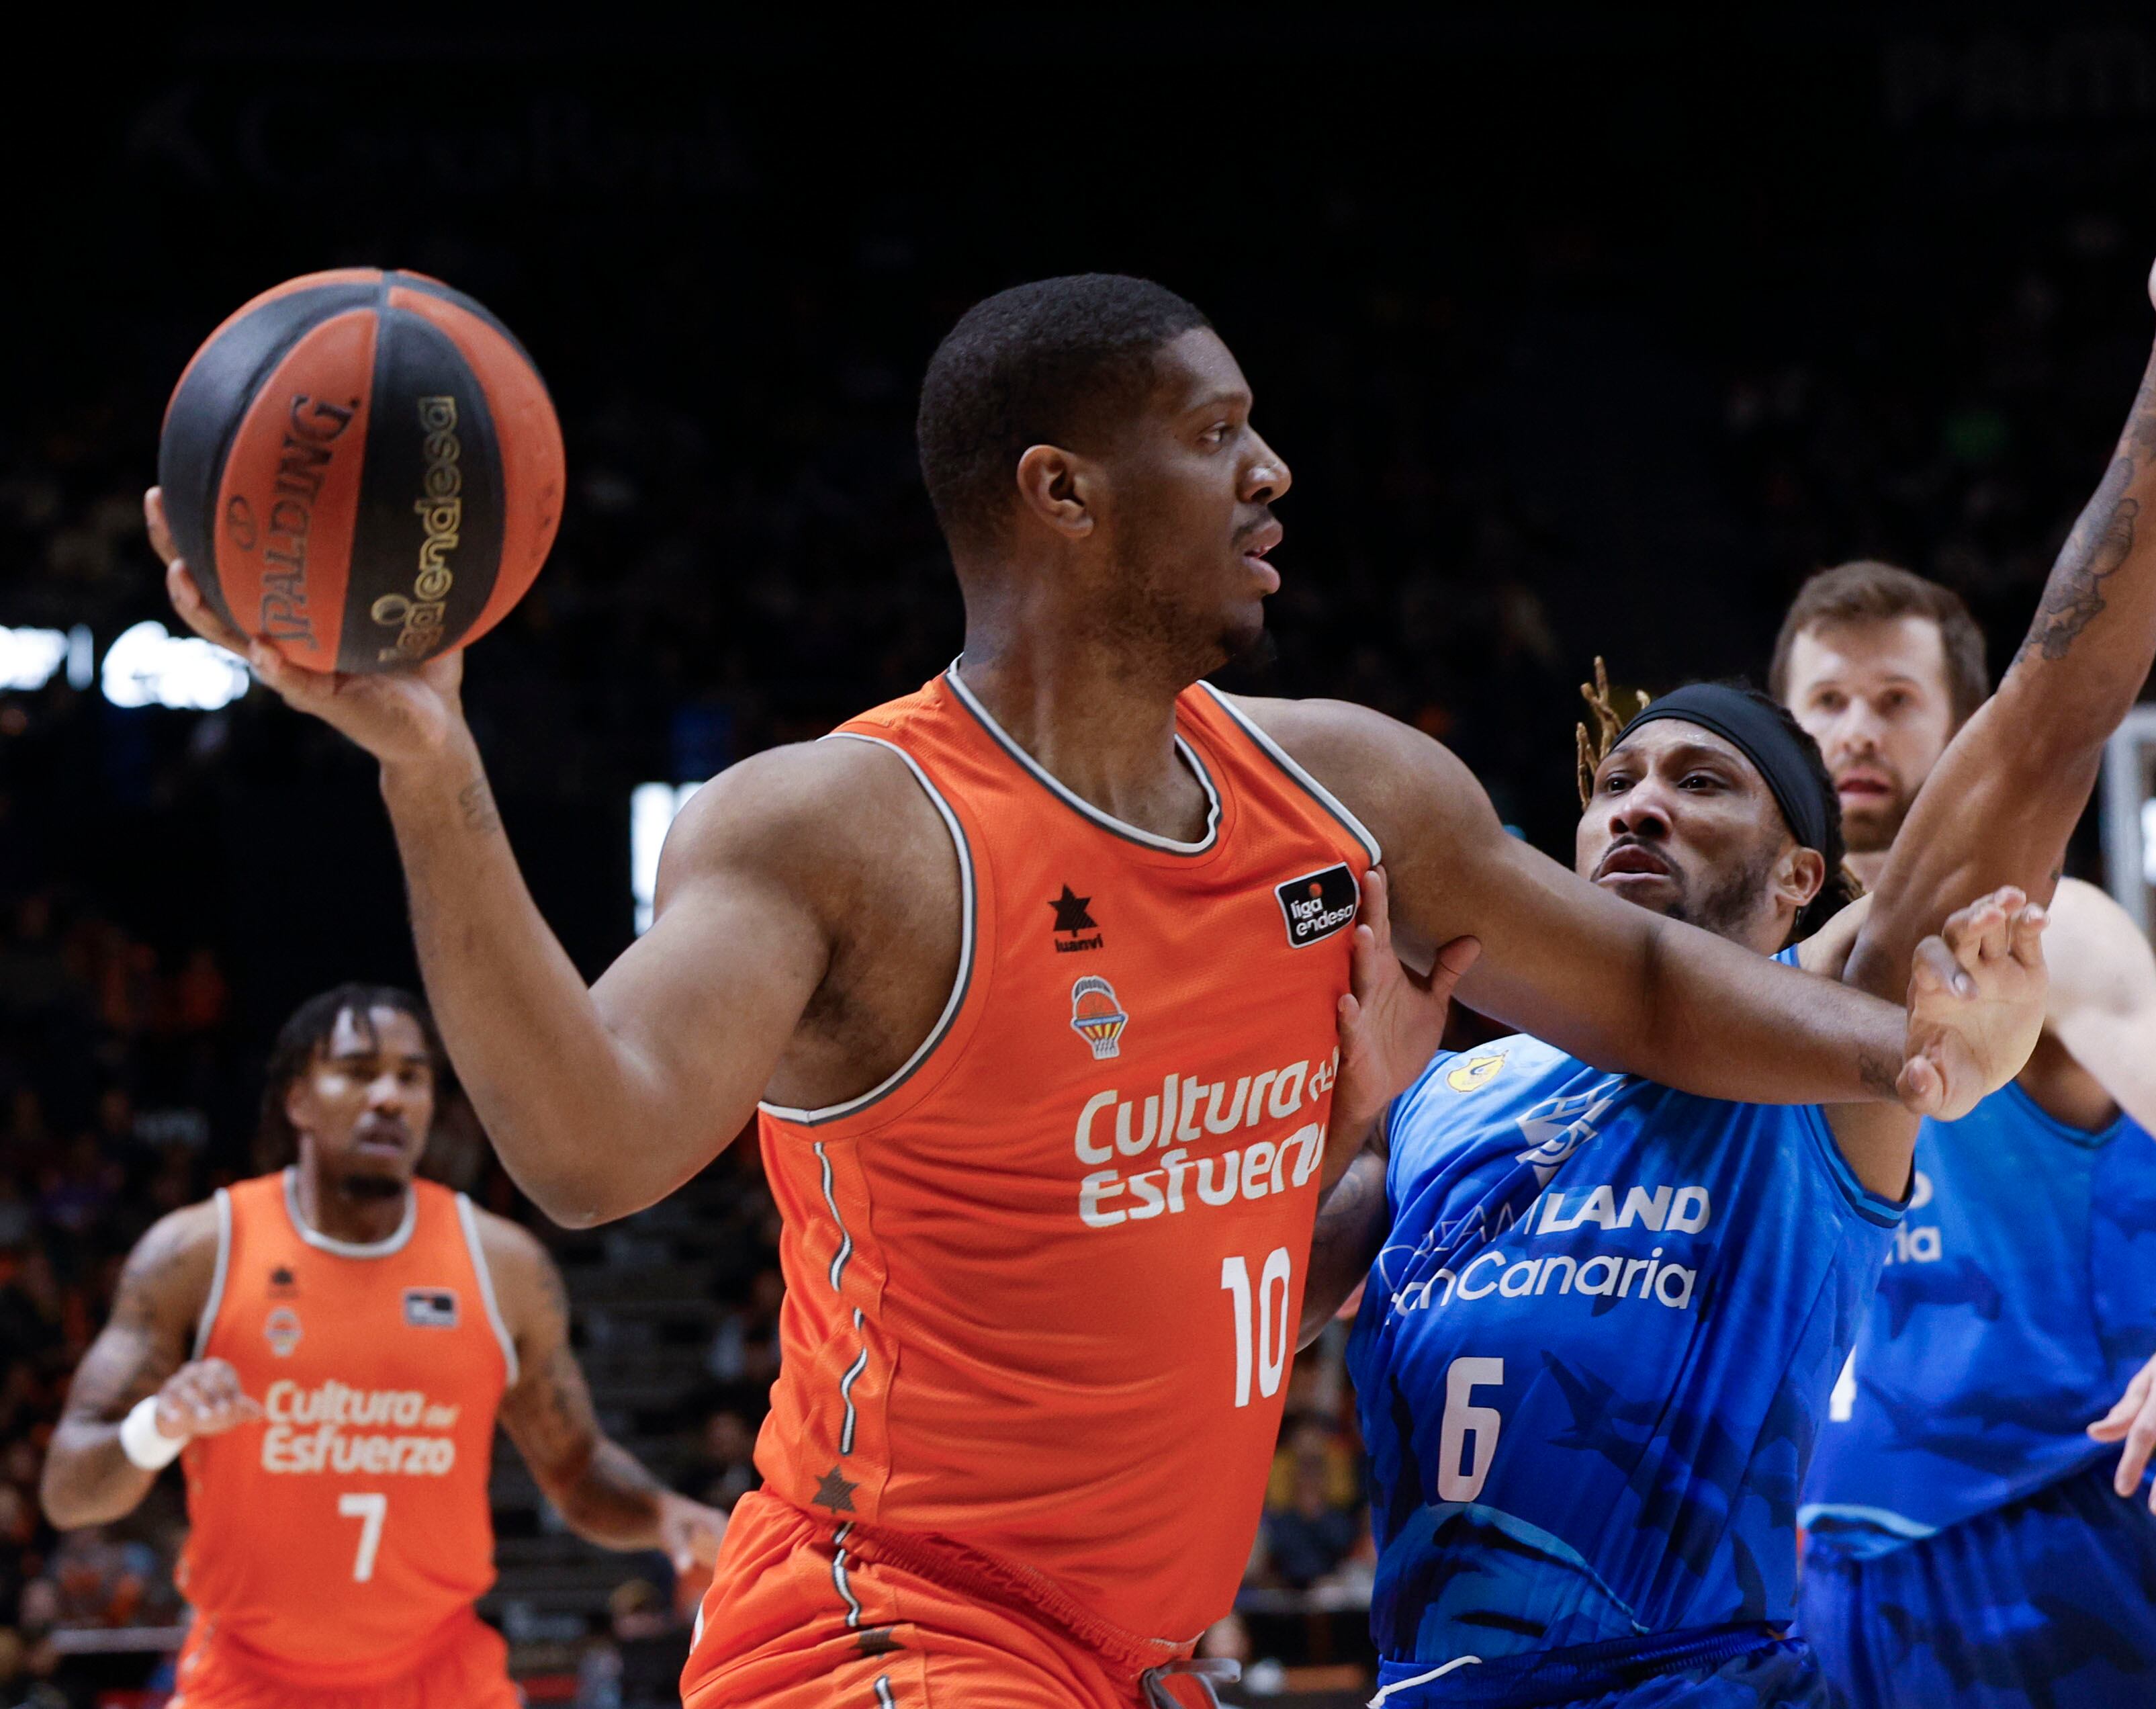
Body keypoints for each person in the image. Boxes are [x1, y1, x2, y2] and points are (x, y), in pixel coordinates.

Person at [150, 269, 2042, 1706]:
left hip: (1130, 1660)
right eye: (1218, 433)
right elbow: (585, 1146)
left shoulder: (1351, 793)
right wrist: (436, 773)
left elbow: (1636, 979)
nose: (1273, 468)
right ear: (1061, 490)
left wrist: (1919, 1051)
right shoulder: (843, 830)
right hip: (878, 1625)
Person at [1293, 93, 2156, 1709]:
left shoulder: (1827, 1030)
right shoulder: (1444, 1098)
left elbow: (2048, 717)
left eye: (1705, 780)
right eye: (1618, 781)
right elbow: (1219, 1333)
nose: (1644, 798)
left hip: (1800, 1632)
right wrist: (1336, 1124)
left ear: (1802, 880)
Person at [1783, 95, 2156, 1709]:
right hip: (1808, 1554)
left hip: (2047, 1523)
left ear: (1966, 722)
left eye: (1895, 702)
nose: (1852, 730)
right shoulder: (1750, 962)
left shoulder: (2071, 928)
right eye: (1823, 700)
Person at [37, 985, 725, 1709]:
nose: (391, 1097)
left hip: (441, 1677)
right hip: (247, 1680)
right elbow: (69, 1488)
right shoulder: (196, 1253)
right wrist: (159, 1426)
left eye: (413, 1076)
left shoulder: (504, 1266)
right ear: (297, 1099)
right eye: (360, 1071)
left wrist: (663, 1514)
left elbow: (576, 1467)